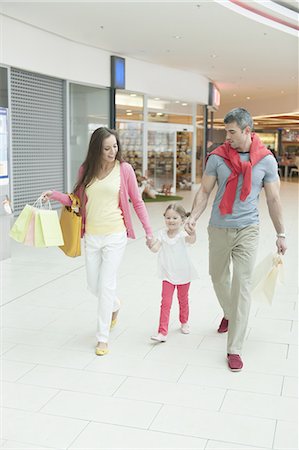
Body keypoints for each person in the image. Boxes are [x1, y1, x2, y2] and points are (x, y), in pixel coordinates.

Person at [185, 107, 287, 371]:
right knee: (218, 277)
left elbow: (274, 198)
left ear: (247, 131)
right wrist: (194, 216)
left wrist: (281, 233)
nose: (226, 137)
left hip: (248, 229)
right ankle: (229, 313)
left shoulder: (266, 160)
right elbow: (205, 191)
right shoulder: (217, 158)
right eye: (225, 131)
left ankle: (235, 348)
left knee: (242, 284)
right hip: (219, 227)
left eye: (231, 132)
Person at [42, 127, 153, 356]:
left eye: (115, 146)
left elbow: (137, 202)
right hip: (92, 235)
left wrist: (149, 232)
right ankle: (114, 305)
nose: (113, 151)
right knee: (93, 284)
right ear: (96, 149)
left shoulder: (125, 170)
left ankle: (102, 337)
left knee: (106, 284)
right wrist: (54, 195)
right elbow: (76, 201)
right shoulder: (86, 170)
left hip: (115, 234)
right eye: (107, 148)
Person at [149, 203, 197, 342]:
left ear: (182, 220)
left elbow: (192, 241)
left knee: (183, 299)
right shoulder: (162, 234)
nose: (171, 221)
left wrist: (192, 232)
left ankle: (184, 321)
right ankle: (162, 332)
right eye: (168, 218)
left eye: (175, 218)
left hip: (183, 273)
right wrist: (150, 244)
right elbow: (155, 249)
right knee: (165, 302)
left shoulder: (183, 235)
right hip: (167, 274)